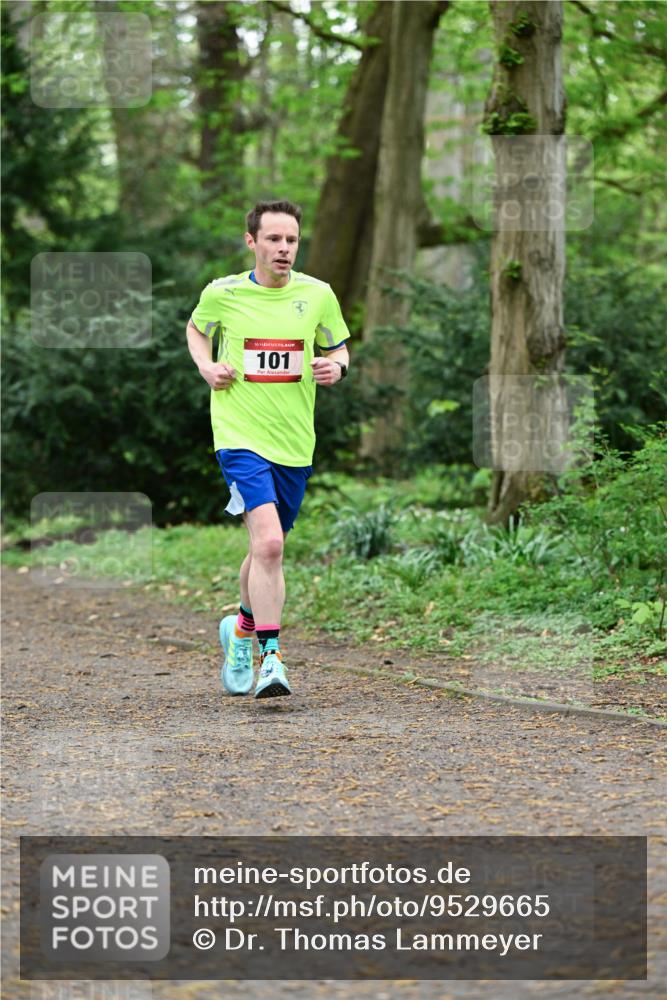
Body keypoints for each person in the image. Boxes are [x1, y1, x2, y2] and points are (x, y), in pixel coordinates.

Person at [186, 199, 350, 699]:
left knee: (266, 547)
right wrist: (207, 367)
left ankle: (239, 629)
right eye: (274, 239)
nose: (284, 249)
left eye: (292, 240)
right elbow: (197, 330)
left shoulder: (318, 295)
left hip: (295, 441)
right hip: (239, 435)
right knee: (271, 544)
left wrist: (336, 367)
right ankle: (270, 657)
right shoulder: (224, 293)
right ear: (251, 241)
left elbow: (338, 345)